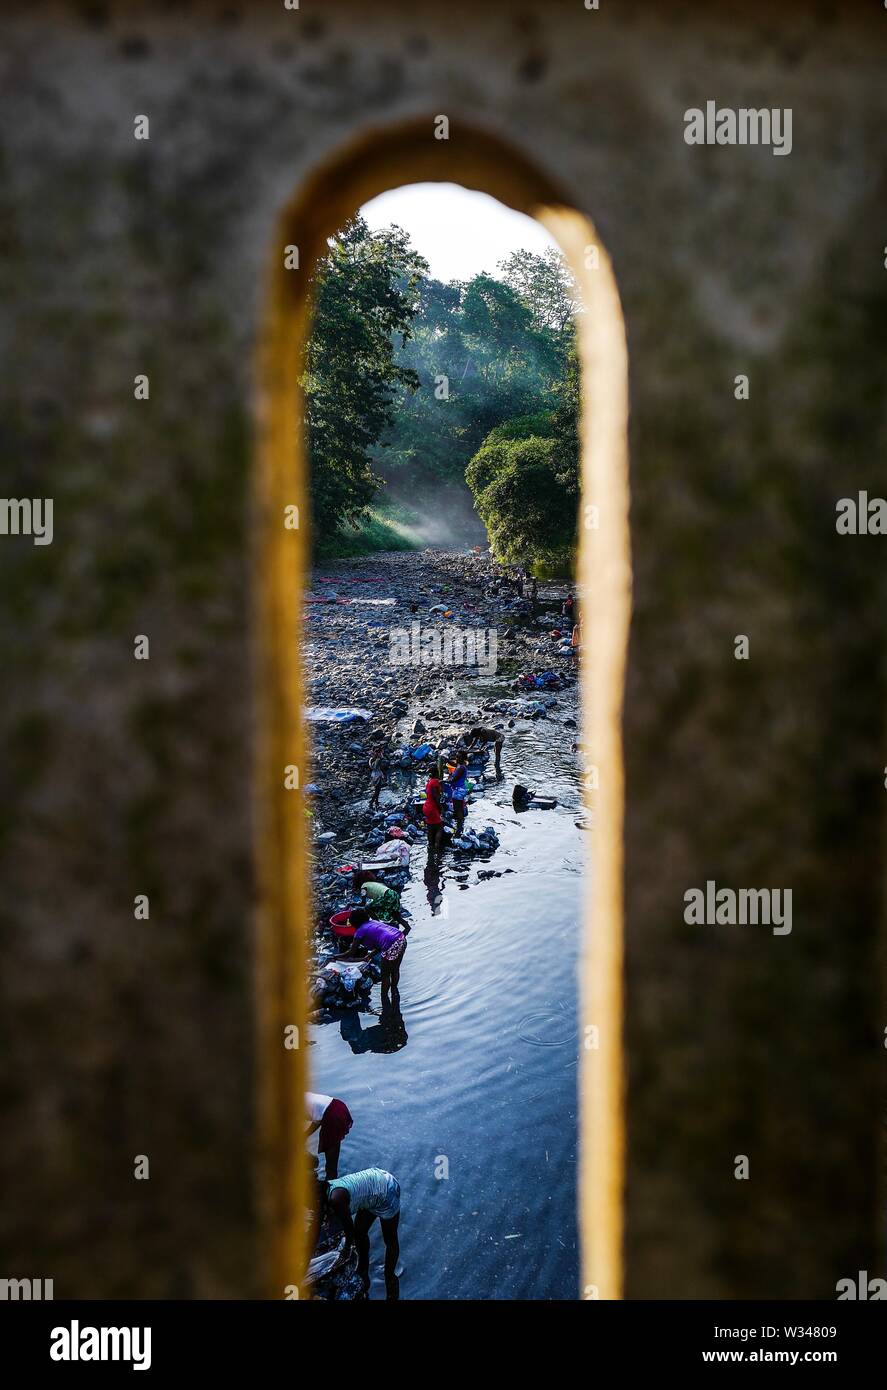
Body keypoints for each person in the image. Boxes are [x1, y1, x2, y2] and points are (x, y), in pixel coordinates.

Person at [326, 1167, 401, 1298]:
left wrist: (346, 1249)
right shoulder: (328, 1190)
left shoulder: (336, 1199)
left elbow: (348, 1231)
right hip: (374, 1187)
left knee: (390, 1240)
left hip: (387, 1190)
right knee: (360, 1231)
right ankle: (363, 1269)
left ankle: (389, 1276)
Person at [340, 908, 407, 997]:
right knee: (395, 969)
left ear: (354, 923)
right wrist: (370, 955)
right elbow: (380, 944)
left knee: (385, 974)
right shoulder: (373, 922)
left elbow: (351, 952)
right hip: (401, 938)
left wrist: (336, 956)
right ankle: (394, 991)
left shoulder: (360, 931)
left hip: (391, 945)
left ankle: (384, 996)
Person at [305, 1091, 353, 1180]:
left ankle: (330, 1186)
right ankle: (331, 1181)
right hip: (338, 1106)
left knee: (331, 1163)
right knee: (331, 1157)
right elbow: (317, 1118)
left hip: (333, 1115)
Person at [423, 770, 445, 859]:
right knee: (439, 827)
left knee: (430, 828)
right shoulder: (435, 783)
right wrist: (441, 808)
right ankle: (436, 847)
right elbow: (436, 798)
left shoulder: (429, 782)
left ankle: (430, 847)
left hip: (426, 806)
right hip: (432, 807)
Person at [447, 751, 470, 834]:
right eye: (456, 757)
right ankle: (459, 825)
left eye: (458, 757)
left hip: (459, 790)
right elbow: (453, 764)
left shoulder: (461, 768)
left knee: (458, 808)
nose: (456, 759)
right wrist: (446, 760)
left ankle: (459, 828)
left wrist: (444, 781)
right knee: (457, 807)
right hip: (459, 789)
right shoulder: (460, 765)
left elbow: (454, 779)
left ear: (463, 758)